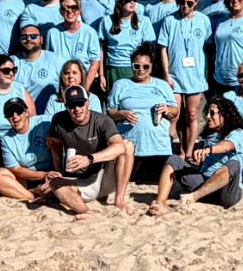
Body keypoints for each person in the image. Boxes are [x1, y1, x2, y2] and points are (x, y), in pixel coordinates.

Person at [149, 93, 243, 215]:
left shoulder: (237, 133)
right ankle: (160, 203)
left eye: (212, 113)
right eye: (207, 113)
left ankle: (193, 197)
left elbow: (226, 146)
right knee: (173, 159)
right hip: (205, 187)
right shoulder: (211, 136)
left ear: (225, 115)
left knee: (234, 164)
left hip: (226, 193)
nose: (208, 117)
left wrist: (208, 150)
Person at [46, 85, 133, 215]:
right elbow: (54, 143)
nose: (77, 109)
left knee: (127, 146)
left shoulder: (102, 121)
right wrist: (58, 171)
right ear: (66, 107)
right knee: (53, 184)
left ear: (88, 103)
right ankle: (86, 212)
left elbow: (119, 146)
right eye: (72, 105)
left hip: (103, 175)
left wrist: (90, 159)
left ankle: (119, 199)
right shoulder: (59, 120)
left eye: (80, 104)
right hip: (77, 179)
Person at [107, 44, 179, 184]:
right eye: (136, 66)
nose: (141, 70)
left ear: (151, 67)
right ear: (131, 65)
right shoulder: (121, 85)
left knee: (158, 179)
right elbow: (110, 112)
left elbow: (175, 111)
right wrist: (122, 113)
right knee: (129, 178)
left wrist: (167, 109)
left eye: (145, 66)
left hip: (158, 146)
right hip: (131, 146)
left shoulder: (161, 85)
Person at [155, 0, 213, 142]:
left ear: (196, 3)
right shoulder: (169, 20)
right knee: (173, 115)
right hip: (174, 75)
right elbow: (163, 49)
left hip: (195, 76)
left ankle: (188, 152)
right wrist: (166, 74)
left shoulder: (204, 21)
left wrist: (204, 73)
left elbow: (207, 47)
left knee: (192, 115)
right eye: (181, 2)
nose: (185, 6)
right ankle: (166, 150)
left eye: (189, 3)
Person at [0, 97, 54, 204]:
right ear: (7, 118)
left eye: (18, 112)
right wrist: (43, 175)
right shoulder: (6, 140)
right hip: (29, 177)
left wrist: (53, 135)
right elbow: (15, 169)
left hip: (54, 173)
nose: (15, 117)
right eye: (10, 114)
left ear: (27, 112)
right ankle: (32, 196)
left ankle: (39, 191)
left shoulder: (45, 122)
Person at [46, 0, 104, 92]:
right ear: (61, 11)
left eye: (74, 8)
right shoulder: (52, 33)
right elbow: (49, 60)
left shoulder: (90, 32)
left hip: (85, 82)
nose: (70, 11)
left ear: (79, 12)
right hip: (60, 83)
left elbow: (94, 63)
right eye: (66, 8)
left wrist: (84, 90)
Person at [102, 0, 147, 89]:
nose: (132, 2)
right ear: (119, 3)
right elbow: (101, 50)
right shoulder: (106, 21)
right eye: (128, 0)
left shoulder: (144, 21)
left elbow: (148, 51)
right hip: (113, 67)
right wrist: (101, 75)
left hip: (135, 67)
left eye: (134, 0)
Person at [37, 58, 104, 117]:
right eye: (67, 73)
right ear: (62, 77)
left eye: (74, 73)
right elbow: (48, 124)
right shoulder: (53, 99)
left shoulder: (93, 99)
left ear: (81, 77)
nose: (70, 76)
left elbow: (97, 123)